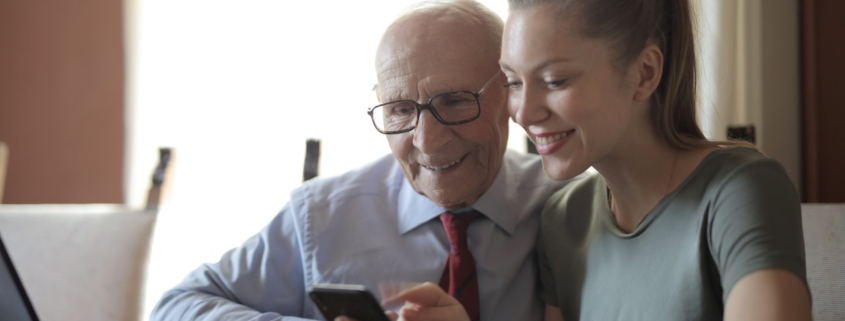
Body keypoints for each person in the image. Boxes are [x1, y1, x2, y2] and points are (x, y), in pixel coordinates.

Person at [386, 0, 812, 320]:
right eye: (514, 82)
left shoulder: (738, 189)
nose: (524, 112)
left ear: (644, 73)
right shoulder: (563, 218)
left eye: (554, 80)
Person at [150, 1, 569, 320]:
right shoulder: (321, 216)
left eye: (456, 102)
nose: (427, 141)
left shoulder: (571, 209)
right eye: (401, 110)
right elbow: (175, 307)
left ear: (511, 94)